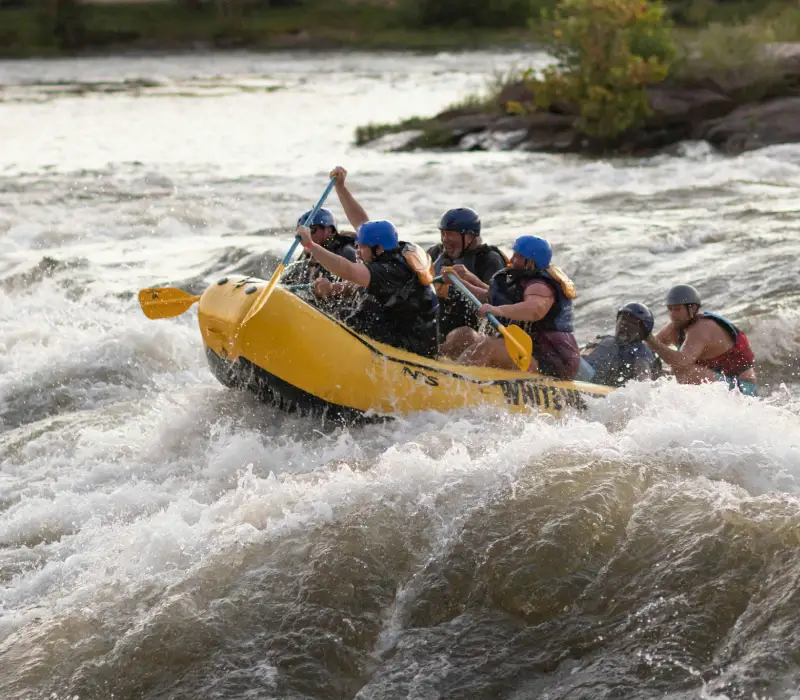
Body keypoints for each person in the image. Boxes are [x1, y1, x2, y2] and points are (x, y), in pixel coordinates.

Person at [440, 235, 581, 379]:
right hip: (523, 350)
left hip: (551, 361)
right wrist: (462, 281)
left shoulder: (540, 286)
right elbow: (490, 298)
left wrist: (497, 310)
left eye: (518, 256)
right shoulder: (520, 279)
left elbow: (534, 310)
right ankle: (435, 371)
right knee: (463, 335)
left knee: (488, 347)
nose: (512, 260)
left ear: (530, 262)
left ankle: (454, 384)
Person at [296, 218, 440, 358]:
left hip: (413, 345)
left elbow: (348, 270)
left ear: (379, 248)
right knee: (343, 311)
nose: (357, 251)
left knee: (358, 319)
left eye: (362, 247)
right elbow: (360, 283)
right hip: (398, 326)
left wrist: (310, 245)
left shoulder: (391, 270)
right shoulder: (393, 254)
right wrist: (333, 288)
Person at [644, 284, 758, 396]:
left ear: (692, 308)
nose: (673, 315)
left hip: (742, 390)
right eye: (670, 309)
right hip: (716, 382)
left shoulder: (703, 327)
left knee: (682, 371)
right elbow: (646, 349)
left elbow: (681, 362)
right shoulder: (673, 329)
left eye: (677, 309)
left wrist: (649, 338)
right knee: (657, 375)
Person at [426, 207, 508, 341]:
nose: (445, 239)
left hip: (470, 332)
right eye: (443, 234)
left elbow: (497, 302)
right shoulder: (435, 253)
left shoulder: (490, 260)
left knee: (462, 335)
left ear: (469, 237)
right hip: (438, 327)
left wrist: (467, 280)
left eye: (450, 234)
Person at [580, 302, 662, 387]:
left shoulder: (640, 350)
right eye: (623, 319)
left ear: (642, 332)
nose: (625, 324)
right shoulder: (603, 338)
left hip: (592, 385)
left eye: (633, 323)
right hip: (577, 377)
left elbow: (644, 383)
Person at [280, 208, 357, 287]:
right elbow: (286, 282)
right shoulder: (308, 252)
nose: (306, 235)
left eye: (311, 230)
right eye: (303, 231)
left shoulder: (346, 251)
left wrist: (331, 288)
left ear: (329, 231)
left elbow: (359, 283)